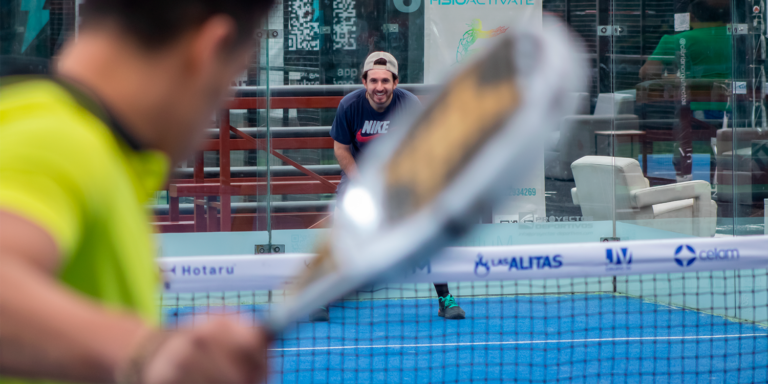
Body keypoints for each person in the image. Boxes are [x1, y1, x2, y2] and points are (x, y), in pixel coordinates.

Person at [0, 0, 274, 383]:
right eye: (229, 81)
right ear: (210, 47)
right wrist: (151, 351)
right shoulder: (58, 140)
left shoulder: (91, 151)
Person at [310, 52, 466, 322]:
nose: (379, 87)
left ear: (395, 82)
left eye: (385, 80)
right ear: (364, 81)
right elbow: (341, 150)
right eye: (373, 81)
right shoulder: (349, 105)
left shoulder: (411, 104)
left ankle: (444, 298)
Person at [639, 0, 731, 182]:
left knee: (685, 141)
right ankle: (720, 184)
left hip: (695, 112)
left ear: (692, 18)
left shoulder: (676, 40)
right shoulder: (741, 38)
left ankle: (685, 183)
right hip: (735, 110)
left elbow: (646, 73)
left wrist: (675, 78)